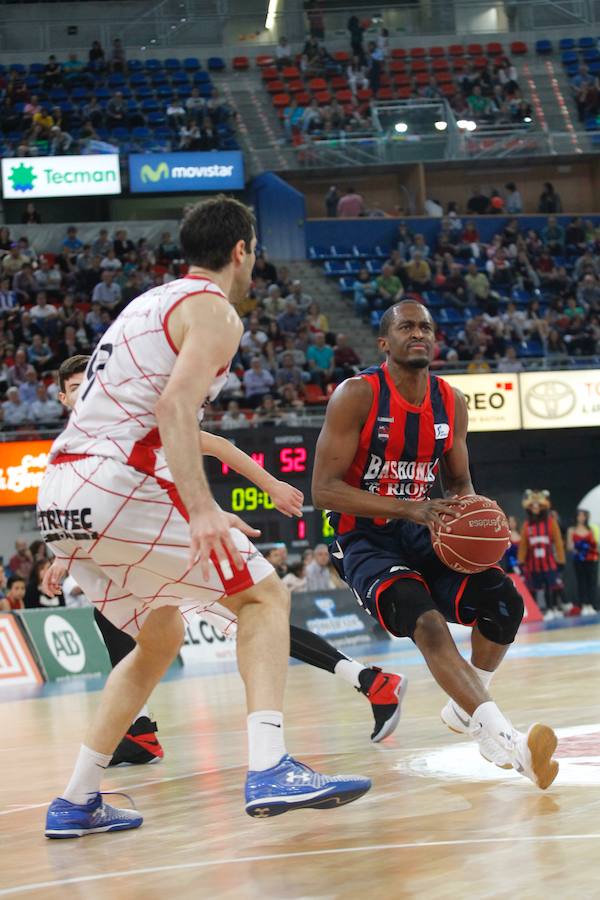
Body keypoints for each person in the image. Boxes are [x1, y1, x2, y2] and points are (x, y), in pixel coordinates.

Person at [37, 198, 373, 838]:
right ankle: (270, 764)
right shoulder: (215, 310)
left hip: (61, 493)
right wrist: (201, 509)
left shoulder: (146, 303)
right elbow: (173, 409)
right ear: (243, 249)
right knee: (264, 596)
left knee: (158, 637)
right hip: (118, 481)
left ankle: (77, 800)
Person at [312, 299, 559, 790]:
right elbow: (322, 488)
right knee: (425, 621)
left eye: (425, 325)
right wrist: (408, 508)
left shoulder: (452, 402)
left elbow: (460, 483)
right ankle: (507, 742)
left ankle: (465, 706)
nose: (418, 332)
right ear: (385, 342)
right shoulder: (357, 395)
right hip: (361, 537)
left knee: (503, 601)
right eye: (406, 326)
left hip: (424, 529)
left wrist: (477, 525)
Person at [566, 509, 599, 615]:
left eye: (583, 516)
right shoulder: (572, 529)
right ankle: (584, 604)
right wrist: (577, 549)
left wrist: (591, 549)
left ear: (586, 517)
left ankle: (591, 604)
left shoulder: (591, 529)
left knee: (592, 583)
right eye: (579, 516)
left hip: (591, 559)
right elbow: (569, 546)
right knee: (582, 582)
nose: (581, 518)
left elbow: (595, 544)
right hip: (579, 560)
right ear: (576, 517)